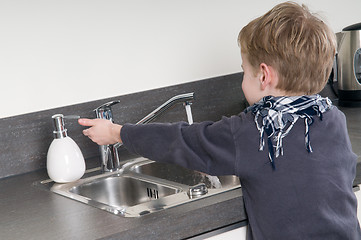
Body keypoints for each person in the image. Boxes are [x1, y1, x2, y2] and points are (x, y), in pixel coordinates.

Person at [78, 2, 361, 239]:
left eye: (244, 72)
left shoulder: (253, 131)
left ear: (264, 76)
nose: (243, 80)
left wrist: (118, 132)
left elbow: (182, 141)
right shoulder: (330, 116)